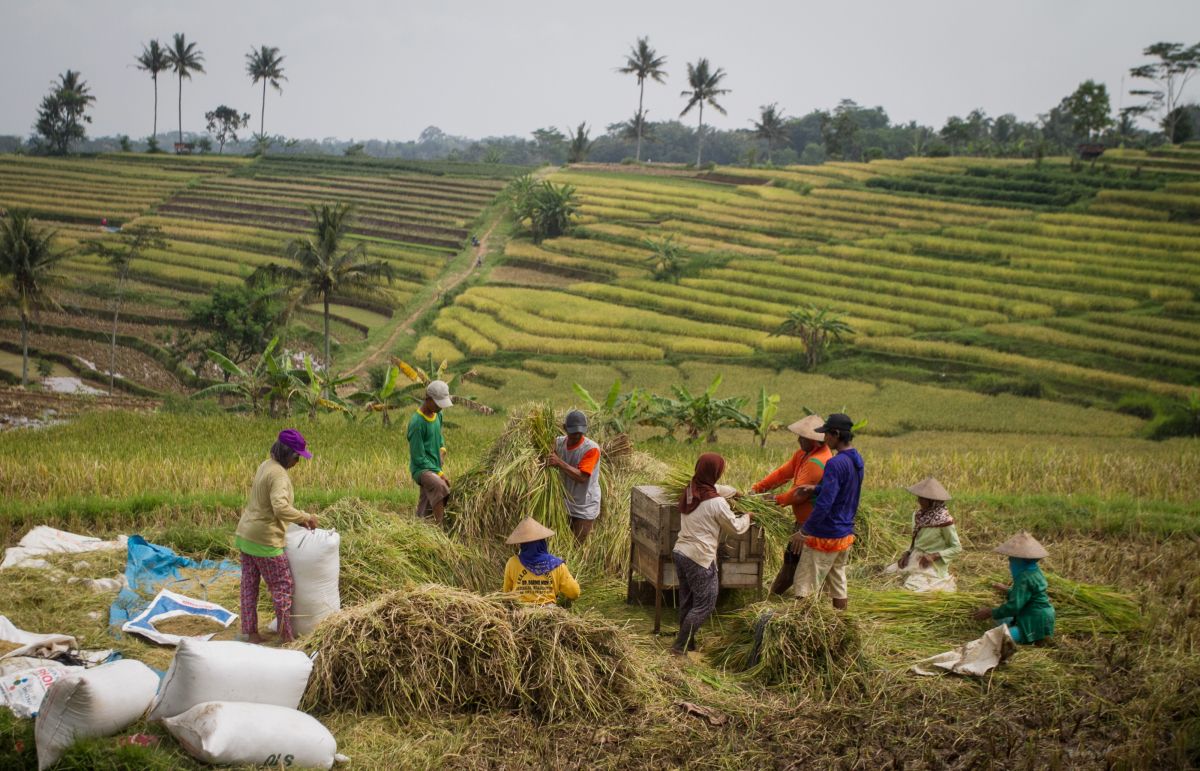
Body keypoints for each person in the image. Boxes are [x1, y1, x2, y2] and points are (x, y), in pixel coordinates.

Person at [235, 429, 317, 644]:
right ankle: (286, 636)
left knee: (249, 585)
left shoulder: (266, 465)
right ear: (287, 453)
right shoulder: (279, 474)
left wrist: (299, 519)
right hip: (265, 539)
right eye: (297, 457)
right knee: (282, 585)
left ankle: (251, 633)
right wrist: (305, 517)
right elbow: (280, 508)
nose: (298, 462)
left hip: (246, 535)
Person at [671, 453, 750, 656]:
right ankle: (679, 647)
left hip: (681, 552)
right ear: (715, 472)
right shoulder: (716, 503)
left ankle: (688, 644)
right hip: (699, 557)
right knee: (705, 605)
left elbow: (718, 489)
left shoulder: (691, 489)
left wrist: (734, 492)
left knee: (688, 601)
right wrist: (748, 517)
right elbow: (736, 527)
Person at [749, 414, 831, 594]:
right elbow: (782, 474)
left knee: (795, 561)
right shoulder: (803, 454)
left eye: (802, 437)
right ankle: (780, 593)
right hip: (803, 522)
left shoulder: (818, 461)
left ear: (813, 440)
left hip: (811, 525)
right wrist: (759, 488)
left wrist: (776, 499)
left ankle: (779, 595)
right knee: (794, 560)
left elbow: (800, 494)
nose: (798, 440)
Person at [791, 413, 863, 609]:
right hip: (844, 532)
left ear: (836, 434)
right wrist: (817, 488)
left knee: (805, 584)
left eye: (827, 434)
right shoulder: (856, 459)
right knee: (838, 582)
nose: (824, 438)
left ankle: (801, 622)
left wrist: (804, 531)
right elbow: (844, 489)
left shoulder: (835, 463)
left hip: (826, 534)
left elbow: (825, 504)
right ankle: (842, 619)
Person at [974, 532, 1055, 645]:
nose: (1010, 562)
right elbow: (1027, 595)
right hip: (1043, 615)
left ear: (1019, 560)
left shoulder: (1024, 578)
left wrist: (990, 612)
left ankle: (1036, 637)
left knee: (996, 639)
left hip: (1034, 619)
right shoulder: (1034, 570)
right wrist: (1007, 590)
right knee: (1000, 620)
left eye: (1011, 560)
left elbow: (1014, 607)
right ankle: (1037, 636)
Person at [888, 477, 962, 592]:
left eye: (922, 499)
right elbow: (916, 540)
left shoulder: (945, 521)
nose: (919, 501)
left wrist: (933, 556)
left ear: (932, 501)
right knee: (889, 572)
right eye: (919, 497)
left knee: (914, 586)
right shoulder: (918, 516)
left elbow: (956, 548)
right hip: (916, 556)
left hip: (933, 563)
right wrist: (907, 553)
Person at [547, 410, 601, 543]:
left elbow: (582, 477)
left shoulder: (591, 449)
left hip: (584, 505)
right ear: (565, 428)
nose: (577, 435)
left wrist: (559, 463)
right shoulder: (557, 443)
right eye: (573, 432)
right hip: (564, 503)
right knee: (560, 542)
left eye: (580, 432)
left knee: (577, 545)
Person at [502, 517, 581, 605]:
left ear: (523, 544)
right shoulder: (557, 565)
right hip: (549, 611)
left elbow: (506, 594)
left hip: (520, 611)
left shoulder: (512, 563)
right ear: (542, 542)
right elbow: (574, 593)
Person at [407, 380, 453, 526]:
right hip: (422, 469)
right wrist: (439, 473)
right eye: (438, 404)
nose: (440, 407)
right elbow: (418, 458)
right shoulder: (417, 423)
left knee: (425, 506)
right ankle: (440, 526)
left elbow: (439, 436)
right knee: (440, 486)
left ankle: (420, 525)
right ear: (428, 398)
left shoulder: (438, 415)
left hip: (434, 466)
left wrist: (442, 449)